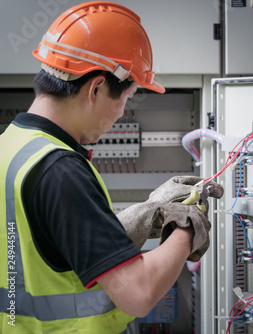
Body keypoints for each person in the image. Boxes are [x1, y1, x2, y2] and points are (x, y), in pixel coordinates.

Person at [0, 2, 222, 333]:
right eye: (127, 99)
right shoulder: (60, 170)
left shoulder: (13, 147)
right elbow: (139, 293)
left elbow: (56, 244)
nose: (121, 113)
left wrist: (149, 212)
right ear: (97, 88)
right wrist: (186, 229)